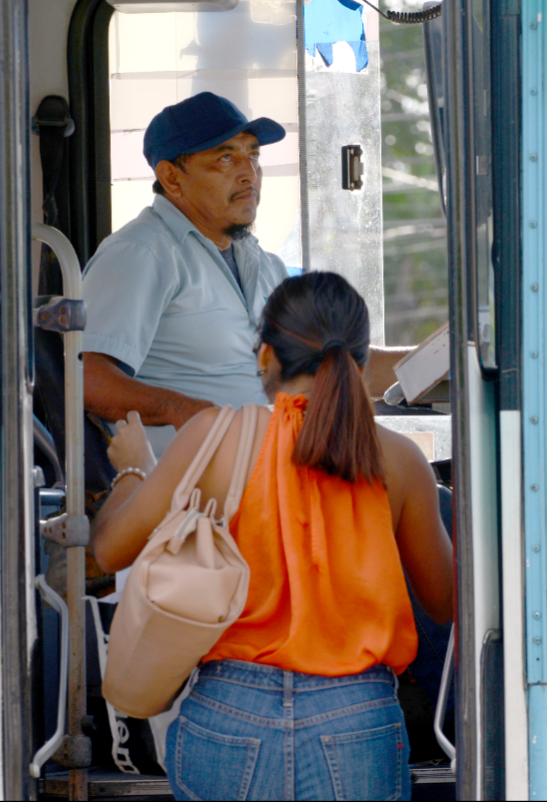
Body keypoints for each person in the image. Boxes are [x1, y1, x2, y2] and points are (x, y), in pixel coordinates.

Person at [92, 271, 453, 801]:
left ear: (265, 356)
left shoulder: (213, 437)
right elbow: (444, 602)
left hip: (228, 716)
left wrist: (131, 470)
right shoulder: (399, 461)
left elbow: (109, 548)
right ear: (358, 364)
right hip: (356, 723)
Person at [82, 92, 410, 456]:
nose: (248, 173)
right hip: (193, 488)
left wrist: (440, 362)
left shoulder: (263, 264)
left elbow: (332, 363)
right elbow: (88, 379)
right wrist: (184, 411)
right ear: (171, 178)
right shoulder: (142, 253)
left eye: (253, 155)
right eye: (226, 157)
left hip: (275, 469)